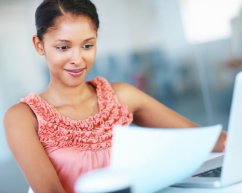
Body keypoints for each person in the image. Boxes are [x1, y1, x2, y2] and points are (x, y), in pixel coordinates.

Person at [3, 0, 227, 193]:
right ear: (39, 45)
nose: (78, 59)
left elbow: (204, 139)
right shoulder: (23, 117)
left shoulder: (120, 96)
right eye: (63, 48)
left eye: (87, 45)